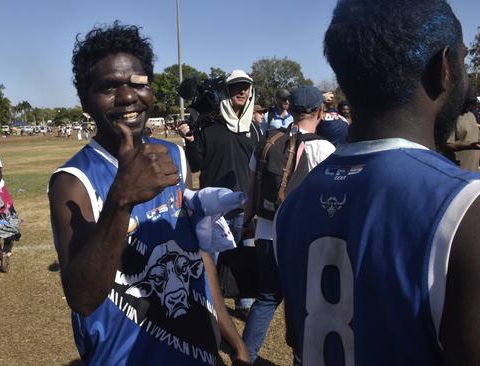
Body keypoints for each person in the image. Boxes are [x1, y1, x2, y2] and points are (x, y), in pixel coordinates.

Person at [275, 0, 479, 364]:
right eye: (463, 61)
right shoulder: (465, 208)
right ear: (445, 67)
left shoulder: (295, 203)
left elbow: (297, 336)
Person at [49, 22, 249, 365]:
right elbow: (81, 298)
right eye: (109, 87)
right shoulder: (73, 181)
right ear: (85, 98)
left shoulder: (173, 156)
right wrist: (121, 198)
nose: (127, 97)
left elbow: (197, 257)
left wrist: (234, 341)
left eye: (138, 84)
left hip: (196, 350)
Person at [241, 87, 335, 362]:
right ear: (320, 111)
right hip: (302, 240)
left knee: (267, 297)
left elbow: (250, 188)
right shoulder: (324, 149)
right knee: (303, 305)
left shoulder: (268, 142)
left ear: (290, 109)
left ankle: (244, 355)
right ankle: (301, 358)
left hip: (266, 232)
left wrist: (248, 221)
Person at [177, 69, 261, 316]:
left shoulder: (255, 130)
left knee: (241, 255)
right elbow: (197, 164)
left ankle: (244, 303)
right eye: (236, 87)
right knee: (211, 259)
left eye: (245, 87)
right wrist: (190, 140)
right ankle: (208, 305)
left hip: (244, 205)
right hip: (213, 207)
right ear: (226, 91)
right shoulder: (208, 124)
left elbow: (258, 170)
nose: (242, 91)